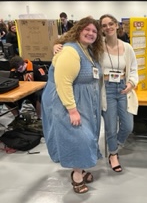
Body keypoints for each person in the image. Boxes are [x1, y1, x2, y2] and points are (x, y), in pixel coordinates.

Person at [41, 17, 104, 194]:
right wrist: (72, 110)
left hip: (83, 101)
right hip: (66, 101)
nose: (91, 33)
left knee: (87, 135)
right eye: (87, 29)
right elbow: (63, 83)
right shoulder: (70, 51)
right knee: (77, 136)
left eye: (94, 31)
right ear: (78, 30)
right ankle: (77, 175)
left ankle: (80, 167)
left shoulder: (87, 50)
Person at [99, 14, 138, 172]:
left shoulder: (127, 48)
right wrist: (57, 45)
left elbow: (134, 69)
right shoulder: (97, 46)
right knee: (110, 126)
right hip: (106, 88)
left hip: (123, 87)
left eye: (110, 24)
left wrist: (131, 83)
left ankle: (116, 144)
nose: (108, 27)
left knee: (128, 125)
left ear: (116, 25)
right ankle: (113, 154)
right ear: (101, 29)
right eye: (104, 25)